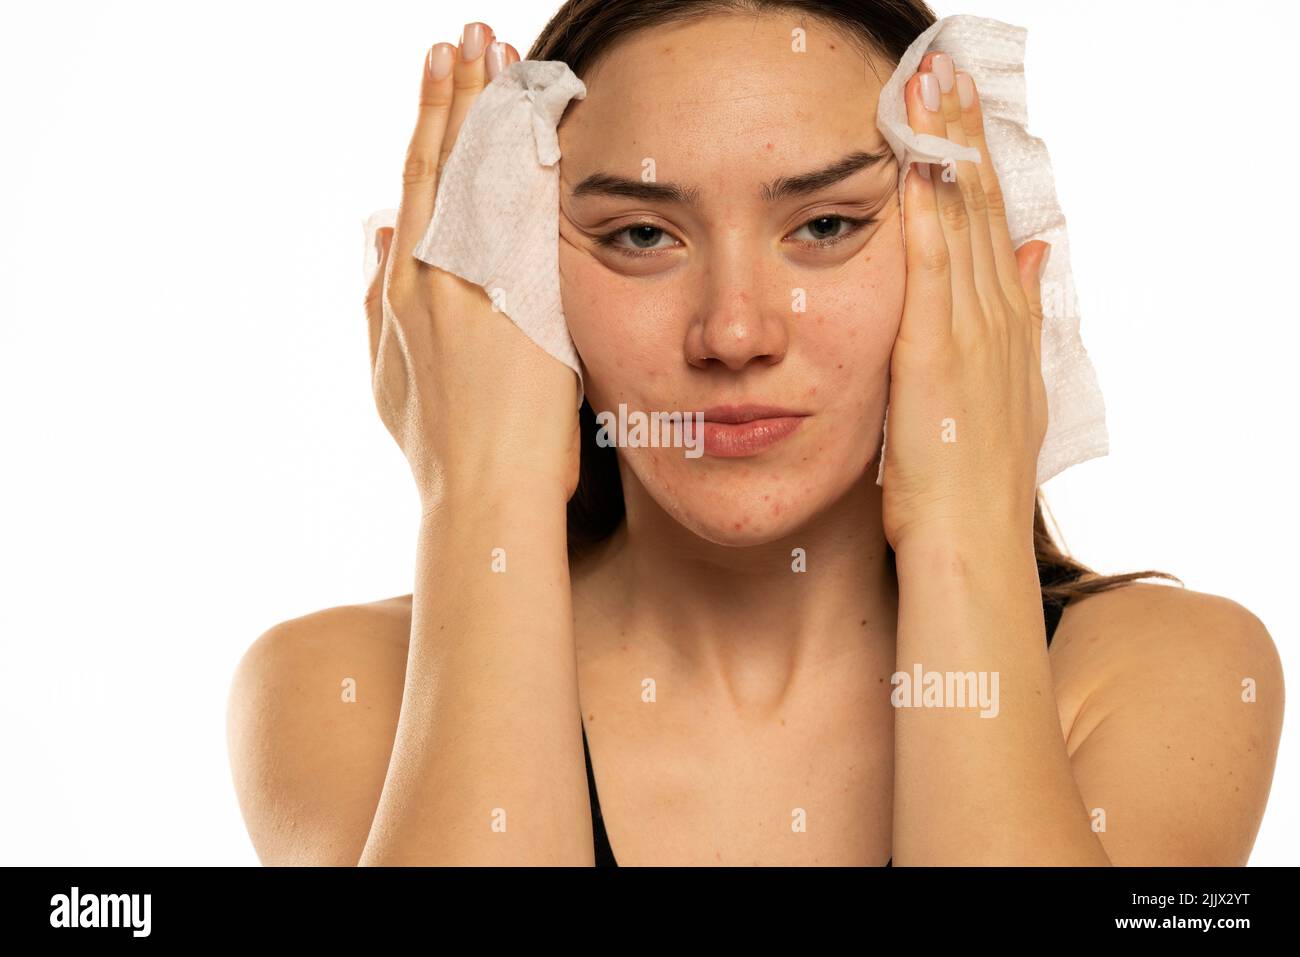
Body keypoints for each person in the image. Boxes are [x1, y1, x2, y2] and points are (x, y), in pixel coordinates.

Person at [225, 1, 1284, 866]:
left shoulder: (1162, 674)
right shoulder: (337, 690)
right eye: (640, 234)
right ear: (517, 281)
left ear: (963, 250)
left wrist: (965, 509)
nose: (734, 331)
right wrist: (483, 491)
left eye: (824, 226)